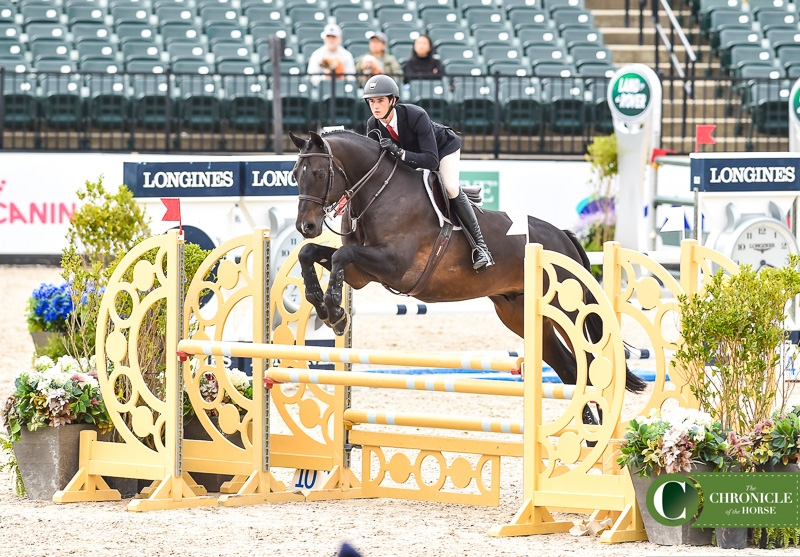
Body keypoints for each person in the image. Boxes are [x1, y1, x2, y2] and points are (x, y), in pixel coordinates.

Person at [361, 74, 494, 272]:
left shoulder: (416, 115)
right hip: (414, 158)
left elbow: (431, 161)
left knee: (450, 188)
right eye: (371, 101)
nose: (375, 106)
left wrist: (399, 152)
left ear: (393, 101)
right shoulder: (373, 125)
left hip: (443, 149)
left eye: (380, 100)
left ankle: (481, 247)